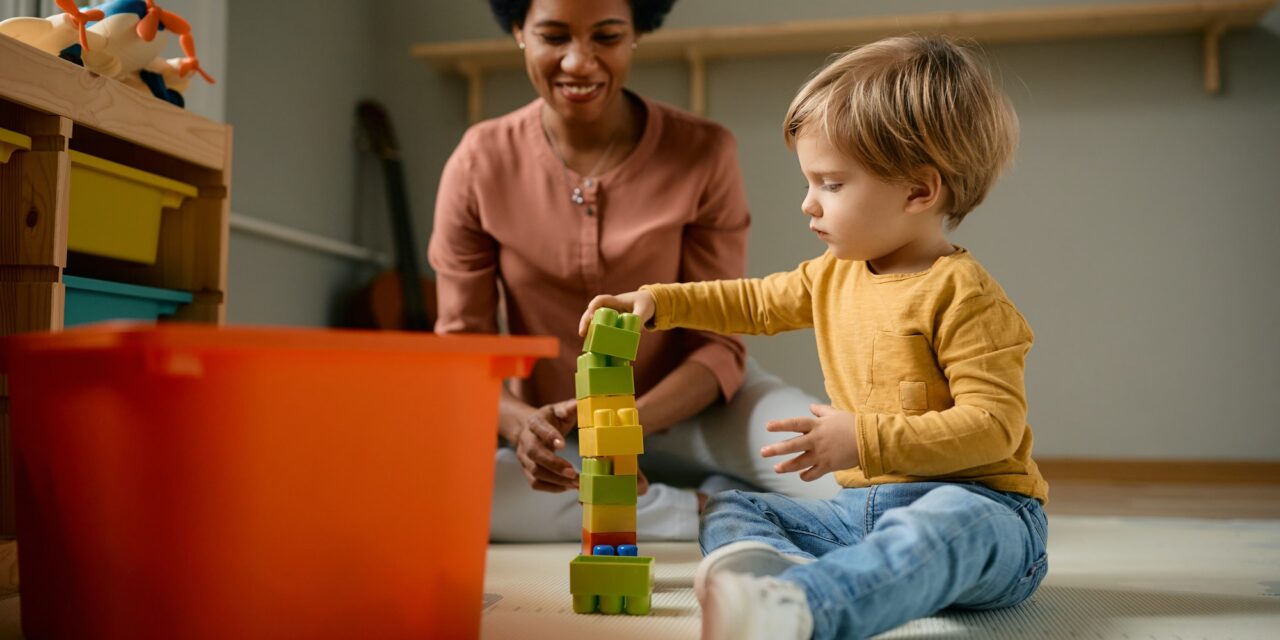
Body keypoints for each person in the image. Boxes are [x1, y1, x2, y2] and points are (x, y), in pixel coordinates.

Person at [578, 36, 1048, 639]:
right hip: (863, 515)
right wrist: (657, 302)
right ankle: (759, 581)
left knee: (951, 522)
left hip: (990, 515)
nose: (808, 205)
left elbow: (994, 427)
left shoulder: (966, 296)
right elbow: (751, 301)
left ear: (918, 191)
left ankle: (803, 608)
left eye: (830, 184)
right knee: (731, 500)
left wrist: (864, 438)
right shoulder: (833, 275)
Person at [428, 0, 838, 543]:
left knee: (843, 474)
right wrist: (519, 424)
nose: (578, 62)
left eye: (606, 36)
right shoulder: (478, 161)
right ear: (517, 31)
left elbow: (718, 345)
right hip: (560, 432)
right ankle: (709, 507)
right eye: (554, 36)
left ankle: (697, 500)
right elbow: (464, 349)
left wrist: (628, 427)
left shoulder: (703, 152)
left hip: (700, 409)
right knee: (450, 495)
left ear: (637, 33)